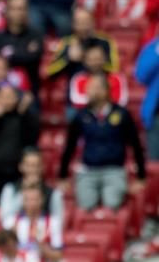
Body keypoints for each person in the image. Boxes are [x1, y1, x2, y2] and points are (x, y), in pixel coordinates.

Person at [58, 74, 146, 211]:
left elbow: (135, 144)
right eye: (88, 88)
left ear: (105, 91)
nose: (89, 91)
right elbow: (70, 146)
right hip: (88, 170)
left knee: (112, 205)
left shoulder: (122, 114)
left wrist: (141, 176)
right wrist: (62, 176)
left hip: (114, 170)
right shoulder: (81, 116)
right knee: (84, 206)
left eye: (94, 87)